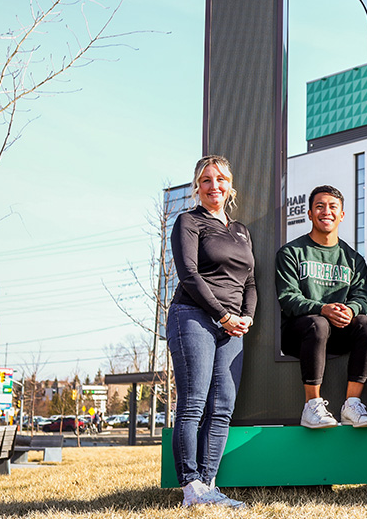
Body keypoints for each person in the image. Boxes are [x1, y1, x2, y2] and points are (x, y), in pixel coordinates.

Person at [167, 154, 256, 508]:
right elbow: (189, 275)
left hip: (232, 326)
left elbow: (250, 281)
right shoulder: (188, 222)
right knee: (193, 404)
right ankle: (191, 487)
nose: (214, 186)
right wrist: (222, 315)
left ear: (230, 186)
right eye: (206, 180)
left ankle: (208, 485)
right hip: (193, 317)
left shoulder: (241, 230)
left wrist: (245, 316)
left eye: (220, 179)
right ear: (197, 187)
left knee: (222, 406)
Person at [276, 185, 367, 429]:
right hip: (300, 333)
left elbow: (362, 297)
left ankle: (352, 405)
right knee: (318, 323)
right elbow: (288, 298)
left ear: (342, 214)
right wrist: (323, 309)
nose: (326, 212)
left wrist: (351, 310)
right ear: (310, 214)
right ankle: (312, 406)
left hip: (338, 332)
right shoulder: (291, 252)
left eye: (333, 207)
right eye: (319, 206)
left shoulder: (353, 259)